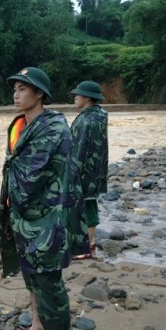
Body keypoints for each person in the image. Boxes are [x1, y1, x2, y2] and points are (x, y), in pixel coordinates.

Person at [0, 67, 89, 330]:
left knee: (49, 285)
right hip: (23, 218)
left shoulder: (53, 129)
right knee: (31, 277)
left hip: (47, 220)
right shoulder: (20, 126)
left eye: (22, 89)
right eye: (15, 89)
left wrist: (14, 206)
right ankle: (37, 326)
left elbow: (31, 177)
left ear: (39, 94)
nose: (16, 94)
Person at [70, 81, 109, 260]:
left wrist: (72, 170)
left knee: (88, 204)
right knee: (88, 203)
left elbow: (81, 149)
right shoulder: (98, 115)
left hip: (85, 170)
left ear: (87, 98)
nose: (75, 97)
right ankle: (87, 242)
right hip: (95, 168)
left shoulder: (88, 120)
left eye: (78, 94)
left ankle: (87, 246)